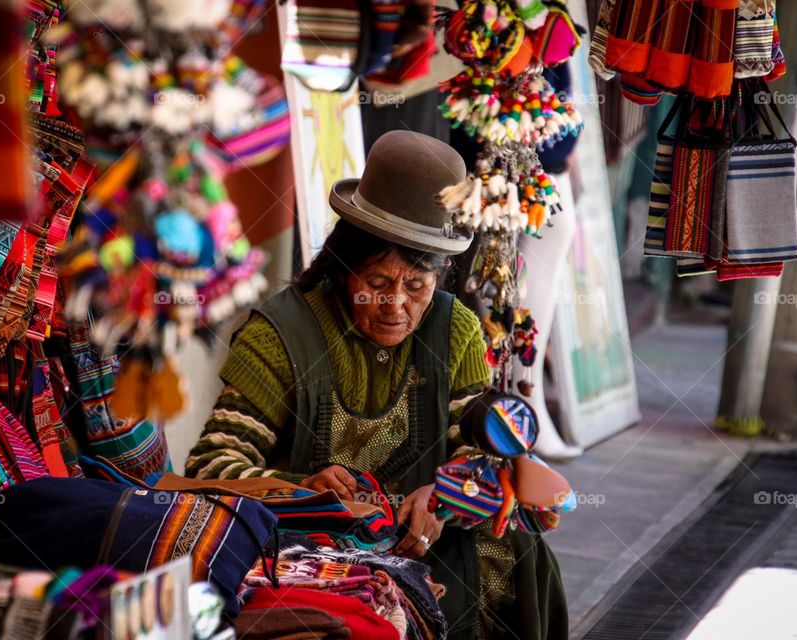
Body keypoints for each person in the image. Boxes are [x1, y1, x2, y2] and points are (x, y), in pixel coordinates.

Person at [186, 130, 567, 639]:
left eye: (416, 286)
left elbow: (478, 455)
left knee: (517, 547)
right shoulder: (280, 334)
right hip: (305, 539)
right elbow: (212, 463)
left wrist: (442, 499)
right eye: (377, 284)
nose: (396, 306)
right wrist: (303, 489)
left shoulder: (455, 330)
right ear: (345, 269)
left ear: (440, 275)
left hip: (420, 539)